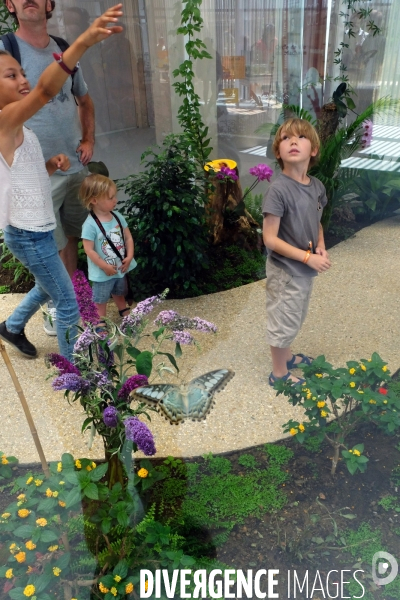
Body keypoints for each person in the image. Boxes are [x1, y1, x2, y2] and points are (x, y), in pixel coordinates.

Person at [0, 4, 123, 361]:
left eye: (22, 72)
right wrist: (83, 40)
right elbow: (42, 92)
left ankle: (12, 324)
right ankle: (80, 374)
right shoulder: (6, 120)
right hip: (30, 233)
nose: (23, 80)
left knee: (50, 282)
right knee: (67, 299)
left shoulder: (16, 128)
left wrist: (51, 167)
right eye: (11, 76)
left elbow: (21, 172)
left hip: (33, 227)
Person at [262, 118, 331, 386]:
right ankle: (278, 374)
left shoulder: (316, 187)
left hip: (304, 269)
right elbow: (270, 239)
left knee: (295, 315)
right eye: (285, 138)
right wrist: (307, 257)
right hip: (286, 271)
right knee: (283, 318)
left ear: (313, 150)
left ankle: (287, 357)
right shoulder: (278, 190)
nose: (293, 141)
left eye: (301, 137)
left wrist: (321, 247)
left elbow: (318, 220)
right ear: (278, 152)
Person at [80, 174, 136, 325]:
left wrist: (129, 256)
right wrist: (104, 266)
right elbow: (89, 250)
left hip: (119, 267)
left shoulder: (117, 217)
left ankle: (122, 308)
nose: (115, 200)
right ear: (94, 200)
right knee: (100, 298)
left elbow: (128, 238)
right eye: (111, 198)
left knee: (119, 290)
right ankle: (100, 320)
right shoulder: (90, 225)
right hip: (102, 271)